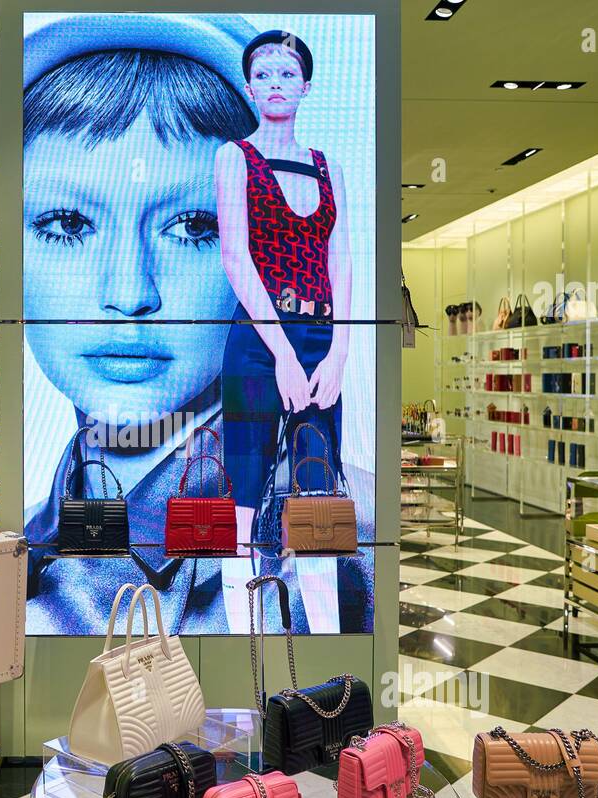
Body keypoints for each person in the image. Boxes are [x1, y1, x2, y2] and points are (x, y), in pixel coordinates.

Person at [20, 14, 371, 637]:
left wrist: (329, 350)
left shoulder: (358, 546)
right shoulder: (19, 548)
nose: (129, 293)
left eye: (191, 228)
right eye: (67, 224)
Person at [215, 30, 354, 632]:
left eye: (287, 73)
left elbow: (339, 257)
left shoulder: (329, 167)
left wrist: (340, 351)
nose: (276, 84)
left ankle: (324, 646)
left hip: (320, 343)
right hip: (255, 345)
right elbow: (235, 257)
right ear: (250, 86)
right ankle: (242, 648)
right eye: (265, 74)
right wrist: (281, 354)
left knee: (317, 495)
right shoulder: (234, 157)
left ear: (305, 85)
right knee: (241, 495)